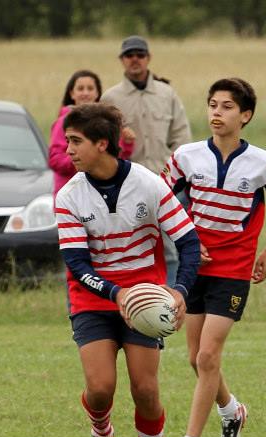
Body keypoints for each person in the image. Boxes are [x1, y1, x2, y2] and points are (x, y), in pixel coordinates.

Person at [54, 103, 200, 437]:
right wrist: (116, 293)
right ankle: (102, 435)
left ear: (102, 144)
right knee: (101, 389)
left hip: (145, 299)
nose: (67, 149)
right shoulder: (69, 196)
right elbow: (77, 263)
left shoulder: (149, 184)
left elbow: (187, 241)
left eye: (75, 141)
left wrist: (180, 289)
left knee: (146, 388)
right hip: (93, 299)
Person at [164, 78, 266, 437]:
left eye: (226, 107)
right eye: (212, 105)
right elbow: (161, 198)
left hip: (234, 271)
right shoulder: (185, 157)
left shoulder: (262, 162)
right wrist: (182, 238)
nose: (216, 113)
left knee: (207, 356)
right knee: (195, 359)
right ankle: (232, 411)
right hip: (194, 267)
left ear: (245, 116)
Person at [101, 36, 192, 285]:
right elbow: (101, 145)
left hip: (166, 185)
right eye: (129, 55)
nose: (135, 60)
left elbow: (181, 137)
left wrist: (176, 173)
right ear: (122, 60)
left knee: (171, 247)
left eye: (140, 54)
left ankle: (171, 301)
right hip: (127, 185)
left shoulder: (167, 94)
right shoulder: (110, 98)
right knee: (131, 247)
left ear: (148, 58)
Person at [49, 69, 135, 194]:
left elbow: (114, 156)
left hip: (101, 191)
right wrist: (82, 157)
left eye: (90, 88)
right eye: (80, 88)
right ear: (72, 94)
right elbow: (55, 160)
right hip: (71, 193)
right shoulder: (62, 122)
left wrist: (127, 144)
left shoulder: (104, 122)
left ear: (97, 93)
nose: (85, 93)